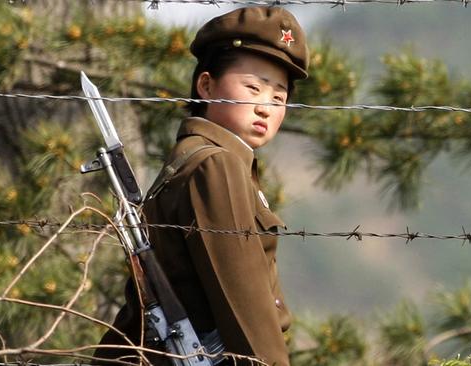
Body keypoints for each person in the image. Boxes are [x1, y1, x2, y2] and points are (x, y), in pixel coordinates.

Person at [93, 6, 309, 366]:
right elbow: (245, 306)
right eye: (253, 88)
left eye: (279, 98)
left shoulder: (205, 158)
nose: (265, 108)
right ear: (206, 85)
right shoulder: (216, 164)